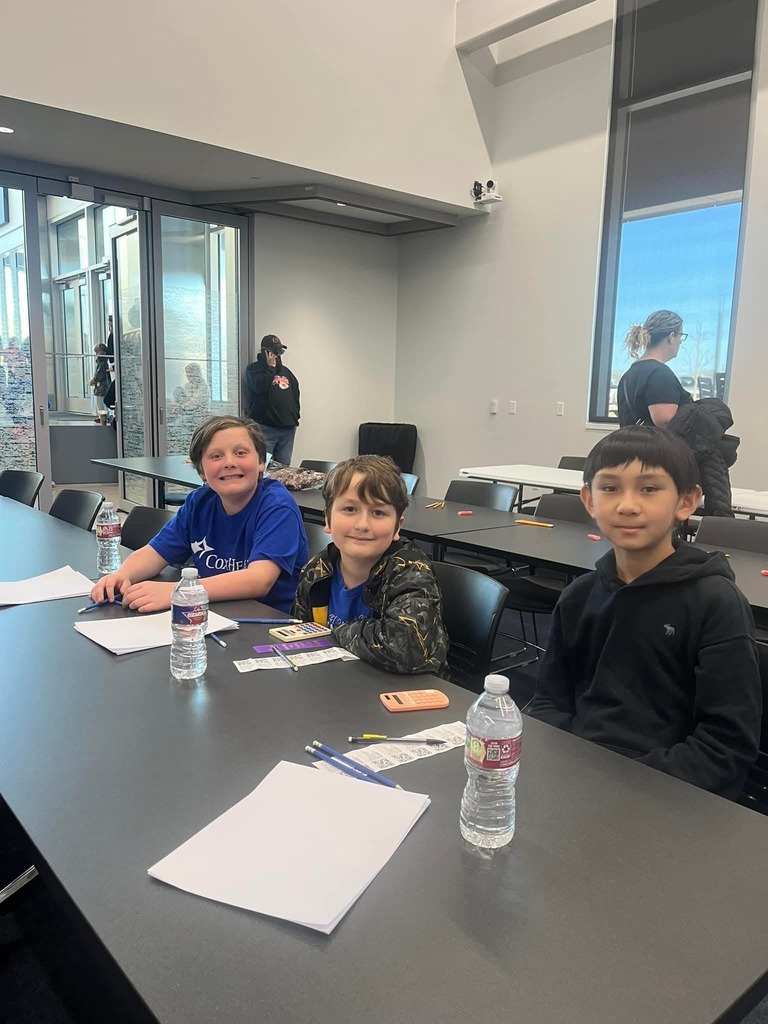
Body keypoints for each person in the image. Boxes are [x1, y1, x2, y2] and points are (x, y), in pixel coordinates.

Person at [527, 425, 761, 799]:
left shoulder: (715, 603)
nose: (628, 505)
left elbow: (726, 745)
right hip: (577, 775)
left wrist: (622, 784)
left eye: (649, 489)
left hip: (667, 794)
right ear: (588, 499)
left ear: (686, 501)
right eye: (610, 488)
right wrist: (563, 765)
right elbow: (549, 702)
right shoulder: (578, 596)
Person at [91, 416, 309, 613]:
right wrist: (122, 575)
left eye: (241, 453)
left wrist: (178, 592)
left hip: (266, 622)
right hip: (211, 611)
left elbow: (259, 580)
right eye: (216, 456)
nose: (229, 462)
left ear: (261, 463)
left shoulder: (277, 506)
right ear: (202, 471)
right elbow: (155, 552)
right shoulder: (200, 501)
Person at [292, 455, 448, 676]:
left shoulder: (411, 571)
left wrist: (332, 633)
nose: (363, 524)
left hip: (398, 694)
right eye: (349, 509)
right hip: (331, 684)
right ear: (327, 519)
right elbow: (299, 634)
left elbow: (404, 647)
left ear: (397, 527)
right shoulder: (316, 570)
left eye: (378, 513)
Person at [617, 310, 692, 428]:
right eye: (680, 336)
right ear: (671, 337)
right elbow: (666, 422)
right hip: (655, 446)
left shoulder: (629, 374)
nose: (680, 342)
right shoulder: (660, 375)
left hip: (633, 445)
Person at [242, 334, 300, 466]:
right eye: (275, 351)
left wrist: (295, 417)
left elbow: (295, 394)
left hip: (287, 429)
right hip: (266, 429)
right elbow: (260, 388)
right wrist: (270, 368)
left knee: (284, 469)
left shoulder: (286, 372)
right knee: (262, 466)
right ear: (265, 352)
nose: (278, 355)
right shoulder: (254, 370)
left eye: (280, 351)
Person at [89, 343, 111, 420]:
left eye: (97, 352)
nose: (96, 354)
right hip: (103, 386)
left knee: (100, 402)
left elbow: (99, 374)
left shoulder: (102, 363)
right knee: (101, 402)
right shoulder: (103, 362)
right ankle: (103, 416)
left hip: (102, 386)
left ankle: (103, 417)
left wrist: (94, 380)